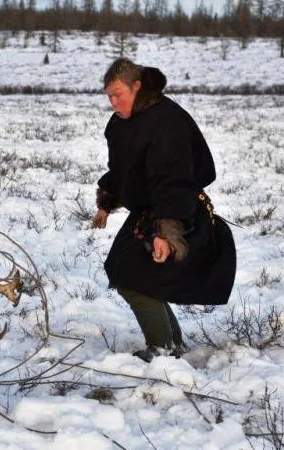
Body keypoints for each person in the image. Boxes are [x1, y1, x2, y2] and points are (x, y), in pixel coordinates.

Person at [93, 58, 236, 362]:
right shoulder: (120, 122)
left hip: (176, 209)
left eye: (118, 93)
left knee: (134, 277)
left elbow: (173, 180)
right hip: (150, 210)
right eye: (109, 95)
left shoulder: (166, 120)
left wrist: (166, 233)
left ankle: (162, 348)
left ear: (137, 86)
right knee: (129, 273)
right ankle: (171, 344)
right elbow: (121, 170)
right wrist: (107, 202)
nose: (113, 102)